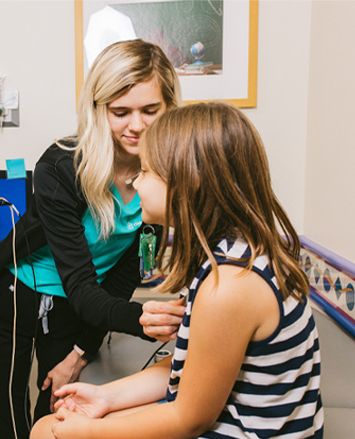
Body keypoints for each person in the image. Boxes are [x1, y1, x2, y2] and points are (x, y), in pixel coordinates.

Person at [31, 102, 324, 439]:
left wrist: (89, 432)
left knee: (48, 431)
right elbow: (191, 368)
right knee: (54, 425)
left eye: (145, 171)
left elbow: (189, 418)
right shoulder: (235, 256)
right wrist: (106, 397)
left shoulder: (228, 287)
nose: (135, 183)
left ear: (189, 180)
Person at [0, 39, 182, 439]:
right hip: (16, 291)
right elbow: (79, 282)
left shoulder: (164, 176)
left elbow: (123, 276)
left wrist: (82, 349)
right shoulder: (62, 167)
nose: (137, 125)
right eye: (121, 112)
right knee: (7, 416)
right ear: (98, 109)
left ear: (169, 107)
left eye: (151, 110)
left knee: (61, 411)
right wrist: (142, 321)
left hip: (76, 303)